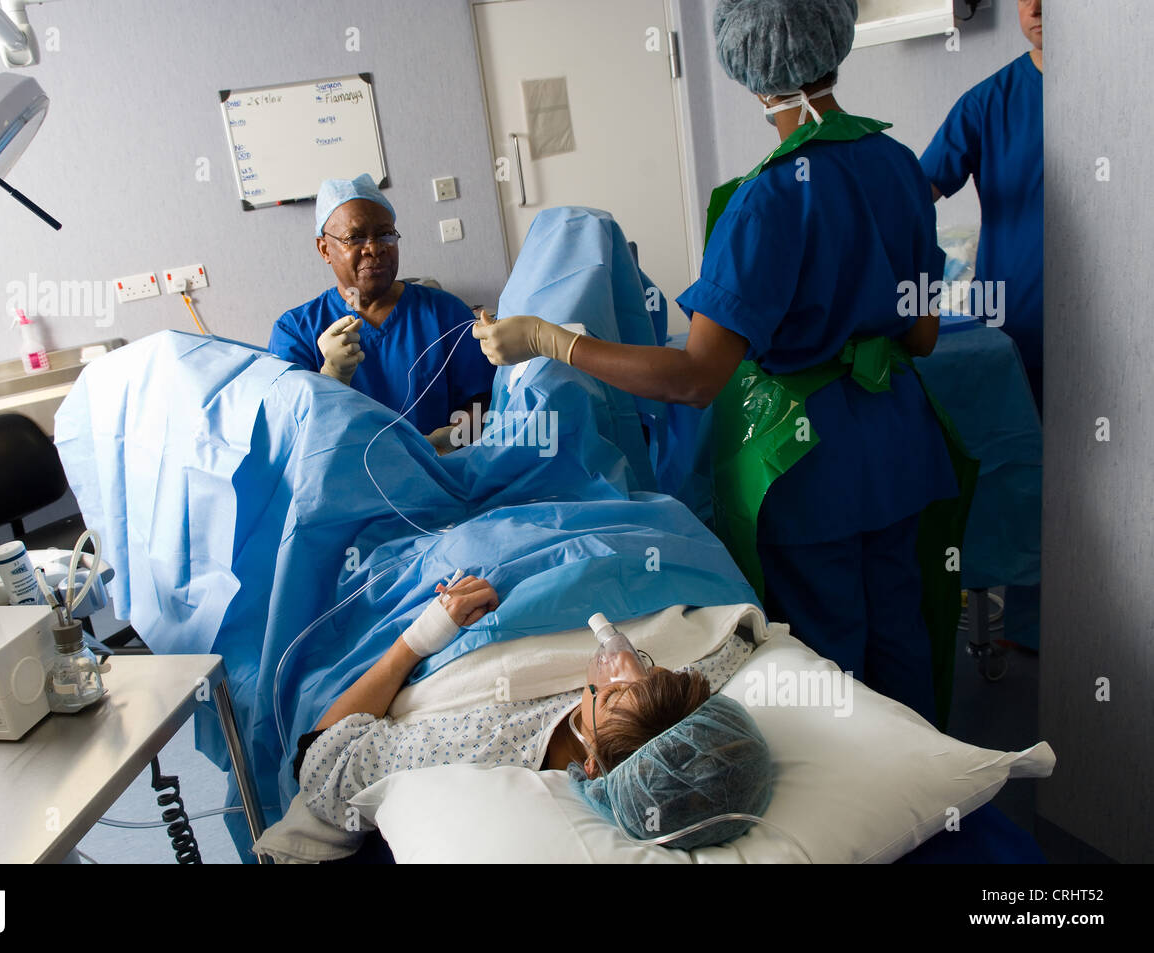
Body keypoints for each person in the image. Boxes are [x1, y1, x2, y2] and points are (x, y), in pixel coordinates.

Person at [473, 0, 973, 725]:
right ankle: (938, 807)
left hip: (808, 471)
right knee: (904, 638)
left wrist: (548, 340)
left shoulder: (764, 203)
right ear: (836, 37)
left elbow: (695, 379)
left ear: (748, 69)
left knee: (831, 672)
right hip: (899, 450)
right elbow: (922, 338)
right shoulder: (899, 166)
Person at [293, 573, 773, 846]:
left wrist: (420, 638)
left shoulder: (474, 754)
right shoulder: (702, 686)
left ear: (592, 767)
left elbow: (321, 761)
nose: (622, 659)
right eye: (652, 672)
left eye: (607, 695)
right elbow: (738, 634)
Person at [268, 173, 496, 449]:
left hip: (443, 475)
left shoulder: (445, 313)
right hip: (348, 486)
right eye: (355, 237)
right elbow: (287, 433)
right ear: (324, 249)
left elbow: (484, 403)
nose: (374, 249)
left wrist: (450, 442)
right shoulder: (295, 331)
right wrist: (330, 376)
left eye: (385, 234)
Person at [921, 0, 1044, 413]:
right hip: (1013, 330)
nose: (1038, 7)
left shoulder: (1130, 94)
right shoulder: (987, 105)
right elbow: (909, 202)